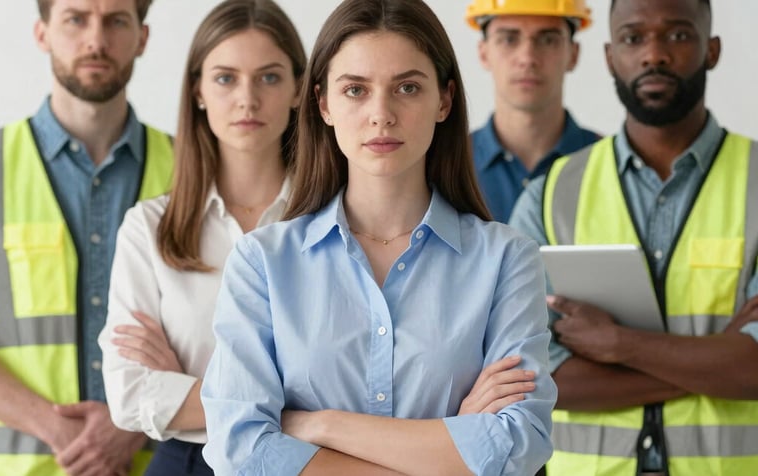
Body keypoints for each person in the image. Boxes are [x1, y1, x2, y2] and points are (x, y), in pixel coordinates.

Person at [200, 0, 556, 474]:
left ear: (444, 100)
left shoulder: (507, 260)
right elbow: (240, 451)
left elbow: (518, 443)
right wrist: (451, 446)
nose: (381, 114)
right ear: (323, 103)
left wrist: (322, 426)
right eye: (355, 90)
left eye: (407, 87)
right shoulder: (262, 261)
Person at [509, 0, 758, 474]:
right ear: (608, 56)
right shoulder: (550, 195)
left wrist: (619, 344)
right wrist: (717, 359)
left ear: (713, 50)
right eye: (632, 38)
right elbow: (532, 378)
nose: (654, 55)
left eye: (679, 35)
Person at [97, 0, 305, 475]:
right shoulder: (148, 228)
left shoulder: (334, 222)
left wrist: (185, 386)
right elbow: (129, 395)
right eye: (226, 78)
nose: (247, 99)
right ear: (198, 91)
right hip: (189, 463)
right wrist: (300, 412)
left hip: (313, 462)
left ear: (298, 89)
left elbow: (360, 387)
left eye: (269, 77)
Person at [0, 1, 174, 475]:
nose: (96, 40)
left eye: (116, 20)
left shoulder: (192, 171)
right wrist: (60, 431)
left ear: (143, 37)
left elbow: (233, 334)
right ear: (42, 33)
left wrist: (131, 424)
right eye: (76, 19)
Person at [464, 0, 600, 223]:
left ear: (573, 54)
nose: (527, 58)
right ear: (483, 53)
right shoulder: (447, 163)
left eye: (548, 40)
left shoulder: (611, 165)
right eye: (509, 39)